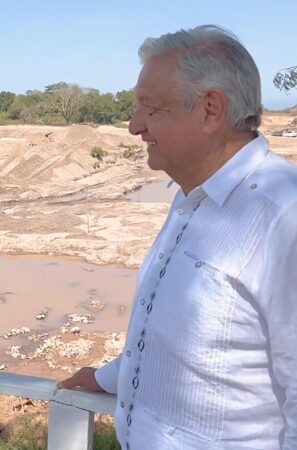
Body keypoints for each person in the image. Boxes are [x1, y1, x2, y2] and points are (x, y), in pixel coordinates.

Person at [58, 25, 297, 449]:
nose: (134, 126)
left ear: (210, 110)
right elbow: (179, 339)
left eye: (152, 109)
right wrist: (105, 377)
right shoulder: (192, 196)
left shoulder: (284, 217)